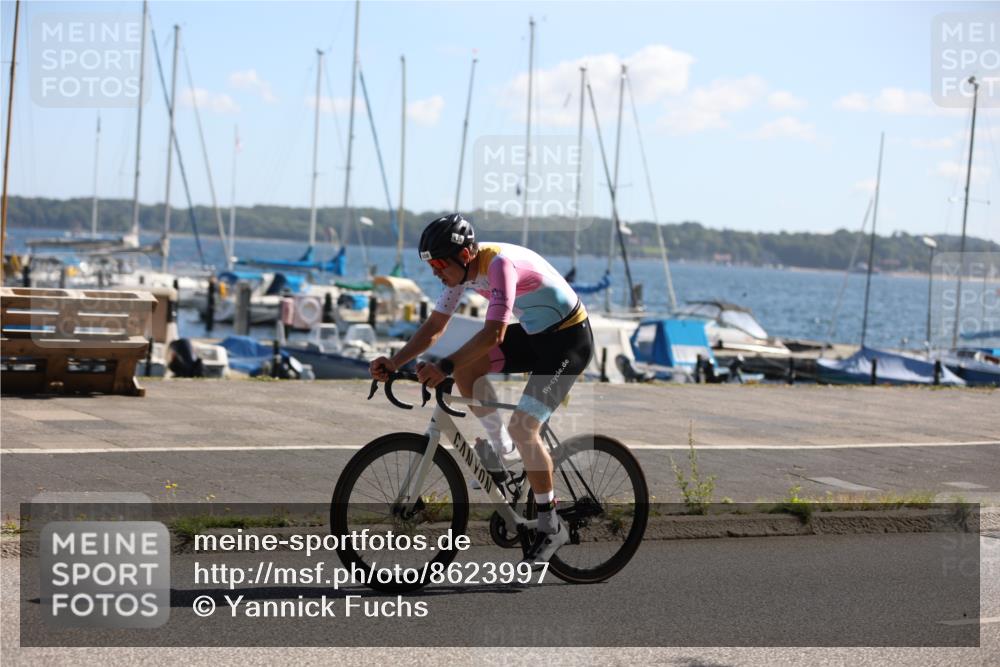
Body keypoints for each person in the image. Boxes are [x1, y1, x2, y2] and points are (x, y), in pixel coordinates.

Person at [369, 213, 594, 566]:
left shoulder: (499, 265)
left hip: (568, 341)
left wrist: (443, 365)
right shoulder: (460, 273)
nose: (435, 272)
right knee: (469, 368)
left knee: (524, 427)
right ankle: (503, 451)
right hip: (536, 335)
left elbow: (494, 334)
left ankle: (552, 525)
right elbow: (435, 325)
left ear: (464, 255)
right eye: (430, 265)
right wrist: (396, 362)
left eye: (439, 264)